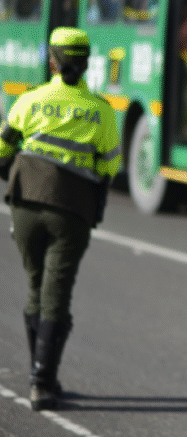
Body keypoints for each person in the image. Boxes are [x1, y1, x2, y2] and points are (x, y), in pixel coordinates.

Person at [0, 27, 121, 411]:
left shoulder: (30, 100)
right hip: (71, 211)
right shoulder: (100, 110)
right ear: (86, 63)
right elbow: (110, 165)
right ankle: (42, 382)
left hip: (25, 203)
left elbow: (3, 145)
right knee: (57, 292)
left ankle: (40, 375)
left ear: (51, 61)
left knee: (36, 285)